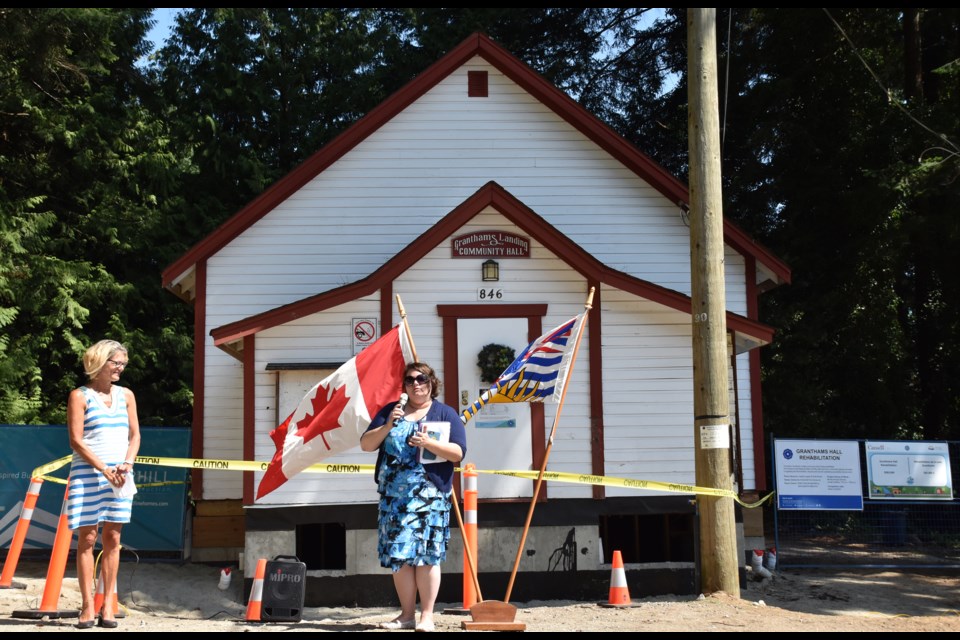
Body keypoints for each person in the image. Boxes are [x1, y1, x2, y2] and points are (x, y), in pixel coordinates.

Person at [360, 362, 467, 632]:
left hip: (429, 496)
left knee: (427, 555)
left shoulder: (445, 413)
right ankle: (406, 615)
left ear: (432, 382)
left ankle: (427, 616)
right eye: (410, 380)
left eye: (422, 379)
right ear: (404, 386)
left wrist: (429, 443)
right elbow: (366, 444)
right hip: (394, 499)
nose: (416, 384)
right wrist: (387, 425)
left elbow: (458, 453)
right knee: (400, 556)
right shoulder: (390, 411)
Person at [66, 340, 141, 629]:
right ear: (99, 362)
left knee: (113, 539)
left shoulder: (127, 395)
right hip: (88, 474)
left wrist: (127, 463)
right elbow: (76, 440)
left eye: (123, 363)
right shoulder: (79, 396)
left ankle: (107, 604)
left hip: (121, 475)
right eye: (116, 362)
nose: (121, 368)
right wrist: (103, 468)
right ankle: (87, 606)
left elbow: (135, 436)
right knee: (87, 538)